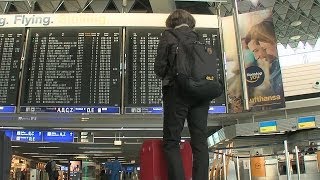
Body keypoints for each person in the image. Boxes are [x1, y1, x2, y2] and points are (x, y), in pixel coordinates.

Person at [154, 9, 210, 180]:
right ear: (190, 22)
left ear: (171, 22)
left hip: (177, 91)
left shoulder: (168, 36)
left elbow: (160, 69)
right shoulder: (199, 38)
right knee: (199, 141)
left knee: (172, 141)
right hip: (201, 93)